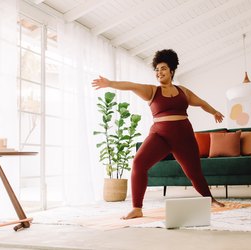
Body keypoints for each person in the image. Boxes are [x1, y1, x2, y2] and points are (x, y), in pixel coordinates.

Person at [92, 49, 225, 220]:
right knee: (138, 163)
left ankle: (210, 200)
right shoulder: (152, 91)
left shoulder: (183, 92)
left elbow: (200, 102)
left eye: (162, 68)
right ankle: (137, 208)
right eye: (156, 70)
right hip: (160, 136)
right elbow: (131, 85)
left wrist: (214, 112)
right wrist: (110, 83)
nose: (159, 72)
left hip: (184, 136)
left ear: (171, 71)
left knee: (194, 173)